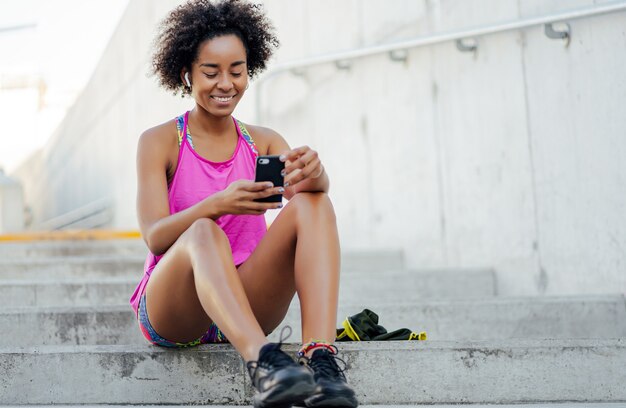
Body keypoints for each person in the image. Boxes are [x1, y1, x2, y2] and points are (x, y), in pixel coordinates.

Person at [128, 1, 358, 407]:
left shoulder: (263, 141)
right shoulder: (160, 141)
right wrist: (217, 204)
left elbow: (306, 195)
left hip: (248, 301)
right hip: (176, 308)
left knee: (314, 204)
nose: (225, 83)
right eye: (211, 72)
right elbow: (155, 237)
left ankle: (321, 358)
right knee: (203, 232)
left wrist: (317, 174)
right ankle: (265, 364)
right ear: (186, 74)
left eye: (237, 70)